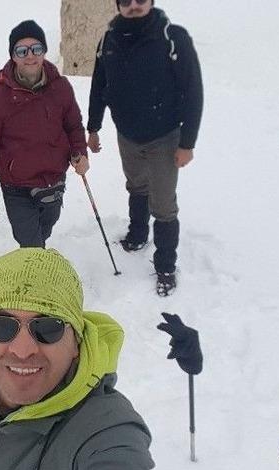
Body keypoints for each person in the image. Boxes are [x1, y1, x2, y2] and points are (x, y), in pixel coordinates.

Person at [0, 248, 155, 470]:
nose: (22, 351)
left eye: (48, 328)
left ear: (76, 343)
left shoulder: (104, 430)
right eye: (2, 326)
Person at [87, 0, 203, 296]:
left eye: (140, 0)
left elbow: (193, 91)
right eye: (126, 1)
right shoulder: (109, 38)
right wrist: (93, 125)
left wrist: (187, 143)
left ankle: (165, 265)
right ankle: (138, 233)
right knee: (136, 185)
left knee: (163, 203)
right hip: (126, 134)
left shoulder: (172, 37)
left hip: (164, 137)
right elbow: (100, 83)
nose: (134, 6)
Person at [0, 20, 89, 248]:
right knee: (31, 246)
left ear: (44, 51)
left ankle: (37, 263)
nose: (30, 56)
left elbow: (74, 126)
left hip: (54, 179)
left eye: (36, 49)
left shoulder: (61, 88)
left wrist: (80, 153)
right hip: (18, 187)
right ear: (13, 56)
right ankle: (36, 276)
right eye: (22, 50)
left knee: (45, 230)